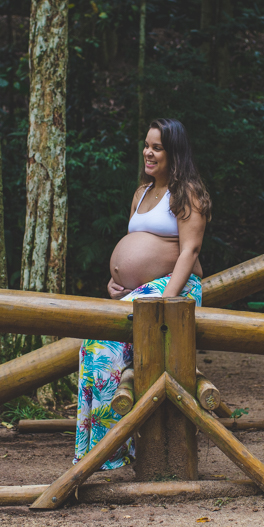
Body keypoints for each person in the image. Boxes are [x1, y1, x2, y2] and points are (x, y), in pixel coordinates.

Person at [74, 118, 211, 469]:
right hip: (140, 291)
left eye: (157, 147)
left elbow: (189, 251)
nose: (148, 153)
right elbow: (135, 247)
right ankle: (96, 450)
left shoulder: (188, 193)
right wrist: (116, 281)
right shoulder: (142, 192)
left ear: (174, 153)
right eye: (147, 145)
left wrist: (166, 300)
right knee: (93, 342)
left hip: (174, 291)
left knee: (107, 347)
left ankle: (113, 453)